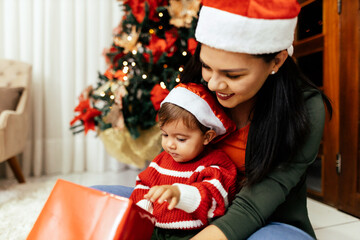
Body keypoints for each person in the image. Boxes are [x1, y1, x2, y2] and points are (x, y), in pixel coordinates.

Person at [92, 0, 333, 239]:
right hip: (190, 210)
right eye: (207, 66)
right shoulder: (197, 90)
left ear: (276, 61)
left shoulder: (304, 108)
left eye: (233, 75)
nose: (214, 84)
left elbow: (255, 205)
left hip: (261, 223)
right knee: (95, 202)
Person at [129, 82, 238, 239]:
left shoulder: (216, 162)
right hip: (154, 227)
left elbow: (214, 198)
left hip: (191, 233)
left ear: (207, 137)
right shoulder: (162, 160)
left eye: (180, 139)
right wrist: (144, 207)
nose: (170, 144)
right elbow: (143, 184)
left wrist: (179, 194)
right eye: (165, 135)